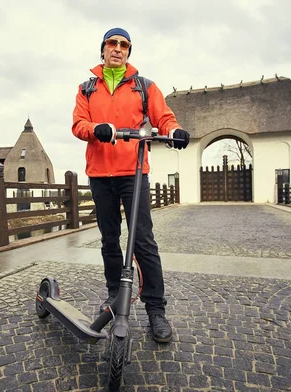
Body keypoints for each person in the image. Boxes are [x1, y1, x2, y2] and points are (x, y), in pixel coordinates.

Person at [72, 27, 190, 343]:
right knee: (109, 239)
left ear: (128, 52)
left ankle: (156, 311)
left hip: (133, 172)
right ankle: (114, 295)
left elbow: (165, 118)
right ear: (103, 49)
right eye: (112, 43)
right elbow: (78, 124)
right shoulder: (86, 89)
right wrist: (96, 129)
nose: (118, 48)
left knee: (143, 241)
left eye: (124, 45)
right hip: (100, 175)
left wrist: (175, 130)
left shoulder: (144, 87)